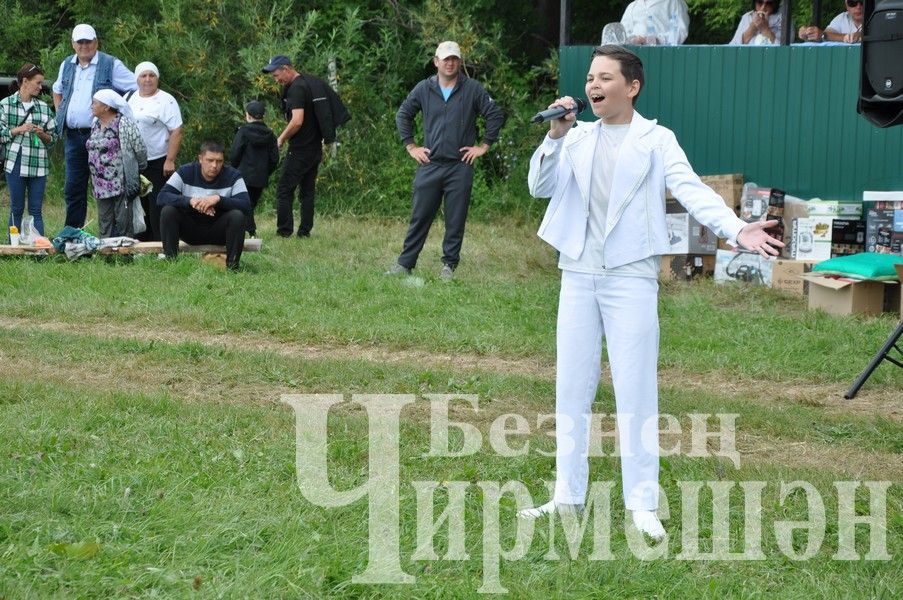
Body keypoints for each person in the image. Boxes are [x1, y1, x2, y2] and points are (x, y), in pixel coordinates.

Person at [520, 45, 783, 538]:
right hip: (578, 272)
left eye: (605, 77)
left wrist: (736, 228)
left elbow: (691, 189)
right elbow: (539, 187)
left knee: (635, 387)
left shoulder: (657, 139)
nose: (593, 85)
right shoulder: (574, 137)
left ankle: (641, 503)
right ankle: (565, 495)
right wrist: (554, 138)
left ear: (632, 86)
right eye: (590, 77)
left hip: (630, 276)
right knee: (570, 387)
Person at [385, 41, 505, 281]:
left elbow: (495, 114)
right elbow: (403, 114)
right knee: (420, 217)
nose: (450, 63)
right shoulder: (424, 88)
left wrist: (483, 146)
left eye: (454, 59)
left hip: (460, 166)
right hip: (430, 164)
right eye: (445, 59)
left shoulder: (472, 89)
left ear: (459, 62)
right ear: (436, 61)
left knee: (455, 218)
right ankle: (405, 264)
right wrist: (411, 146)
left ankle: (449, 266)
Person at [52, 23, 137, 229]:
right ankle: (73, 234)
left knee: (110, 186)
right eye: (79, 41)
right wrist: (60, 112)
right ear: (73, 44)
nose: (84, 45)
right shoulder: (67, 64)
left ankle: (114, 238)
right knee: (74, 188)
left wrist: (116, 114)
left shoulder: (110, 64)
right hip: (73, 136)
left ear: (96, 42)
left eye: (88, 41)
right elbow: (57, 90)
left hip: (103, 136)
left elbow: (135, 87)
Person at [157, 141, 251, 270]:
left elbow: (246, 205)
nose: (214, 165)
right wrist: (190, 201)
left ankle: (233, 267)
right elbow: (162, 197)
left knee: (238, 216)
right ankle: (171, 263)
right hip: (190, 230)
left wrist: (218, 200)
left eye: (219, 161)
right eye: (210, 160)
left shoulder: (233, 175)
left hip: (220, 232)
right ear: (200, 159)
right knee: (168, 211)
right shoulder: (185, 172)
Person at [262, 55, 322, 238]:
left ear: (286, 68)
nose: (276, 79)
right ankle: (305, 232)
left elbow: (297, 121)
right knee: (307, 190)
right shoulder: (307, 84)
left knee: (284, 189)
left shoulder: (296, 89)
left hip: (301, 149)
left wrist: (280, 139)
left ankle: (284, 232)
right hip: (314, 148)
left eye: (277, 74)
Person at [127, 61, 183, 241]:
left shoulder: (166, 100)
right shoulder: (130, 97)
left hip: (158, 159)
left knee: (157, 202)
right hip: (135, 161)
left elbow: (176, 130)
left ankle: (161, 242)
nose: (148, 79)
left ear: (157, 78)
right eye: (143, 76)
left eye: (152, 75)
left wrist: (170, 159)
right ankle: (142, 242)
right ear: (137, 79)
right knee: (138, 202)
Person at [0, 63, 57, 238]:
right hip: (15, 162)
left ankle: (38, 248)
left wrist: (42, 134)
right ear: (25, 81)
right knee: (16, 208)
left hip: (38, 163)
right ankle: (14, 246)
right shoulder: (6, 104)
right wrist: (20, 129)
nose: (41, 87)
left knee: (35, 209)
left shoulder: (43, 107)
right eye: (38, 83)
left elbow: (53, 139)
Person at [86, 89, 147, 237]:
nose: (91, 106)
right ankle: (106, 255)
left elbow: (140, 149)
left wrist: (137, 169)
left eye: (95, 103)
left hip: (121, 182)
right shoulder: (95, 124)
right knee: (104, 220)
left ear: (106, 107)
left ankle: (125, 255)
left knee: (123, 221)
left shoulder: (124, 123)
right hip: (100, 183)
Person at [229, 100, 278, 237]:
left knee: (245, 204)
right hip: (261, 176)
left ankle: (251, 232)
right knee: (250, 204)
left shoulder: (243, 132)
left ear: (248, 115)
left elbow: (235, 153)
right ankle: (248, 231)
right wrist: (266, 171)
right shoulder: (270, 135)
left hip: (243, 174)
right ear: (262, 116)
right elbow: (274, 159)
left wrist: (234, 169)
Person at [621, 0, 690, 46]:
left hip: (664, 55)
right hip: (635, 58)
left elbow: (681, 32)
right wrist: (633, 40)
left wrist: (656, 40)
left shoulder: (674, 2)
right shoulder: (632, 6)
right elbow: (622, 35)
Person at [798, 0, 863, 44]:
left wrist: (823, 35)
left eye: (862, 2)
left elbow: (825, 35)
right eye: (852, 3)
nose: (858, 7)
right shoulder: (842, 17)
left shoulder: (873, 17)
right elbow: (827, 34)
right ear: (846, 5)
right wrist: (809, 33)